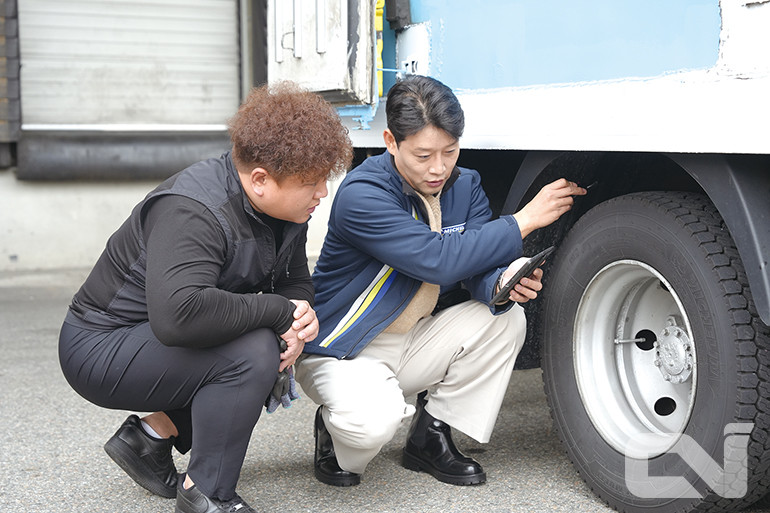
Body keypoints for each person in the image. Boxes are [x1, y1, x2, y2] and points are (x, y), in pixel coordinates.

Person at [58, 81, 353, 512]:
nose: (321, 193)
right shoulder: (193, 210)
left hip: (153, 336)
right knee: (250, 350)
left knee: (263, 337)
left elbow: (291, 279)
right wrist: (276, 313)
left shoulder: (285, 207)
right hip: (100, 346)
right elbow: (179, 315)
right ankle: (207, 494)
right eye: (311, 183)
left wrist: (299, 315)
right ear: (260, 180)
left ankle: (151, 438)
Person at [295, 75, 586, 487]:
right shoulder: (363, 193)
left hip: (415, 339)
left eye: (449, 151)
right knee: (368, 430)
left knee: (506, 319)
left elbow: (478, 266)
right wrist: (524, 220)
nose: (438, 168)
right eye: (423, 154)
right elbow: (437, 261)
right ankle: (334, 422)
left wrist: (501, 283)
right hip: (346, 349)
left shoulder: (465, 185)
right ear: (391, 142)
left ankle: (430, 436)